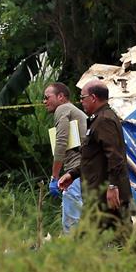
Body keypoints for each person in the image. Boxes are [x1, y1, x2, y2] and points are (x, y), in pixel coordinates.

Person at [58, 80, 130, 233]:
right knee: (124, 238)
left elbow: (115, 157)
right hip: (99, 193)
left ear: (93, 97)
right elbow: (93, 157)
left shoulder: (104, 120)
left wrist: (112, 187)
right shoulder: (99, 119)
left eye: (83, 98)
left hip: (105, 194)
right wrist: (73, 174)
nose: (81, 102)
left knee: (89, 239)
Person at [43, 82, 88, 234]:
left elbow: (61, 141)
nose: (44, 101)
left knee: (71, 223)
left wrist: (54, 176)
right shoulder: (76, 112)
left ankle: (73, 256)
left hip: (75, 172)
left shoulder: (63, 109)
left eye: (47, 97)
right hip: (85, 170)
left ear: (60, 97)